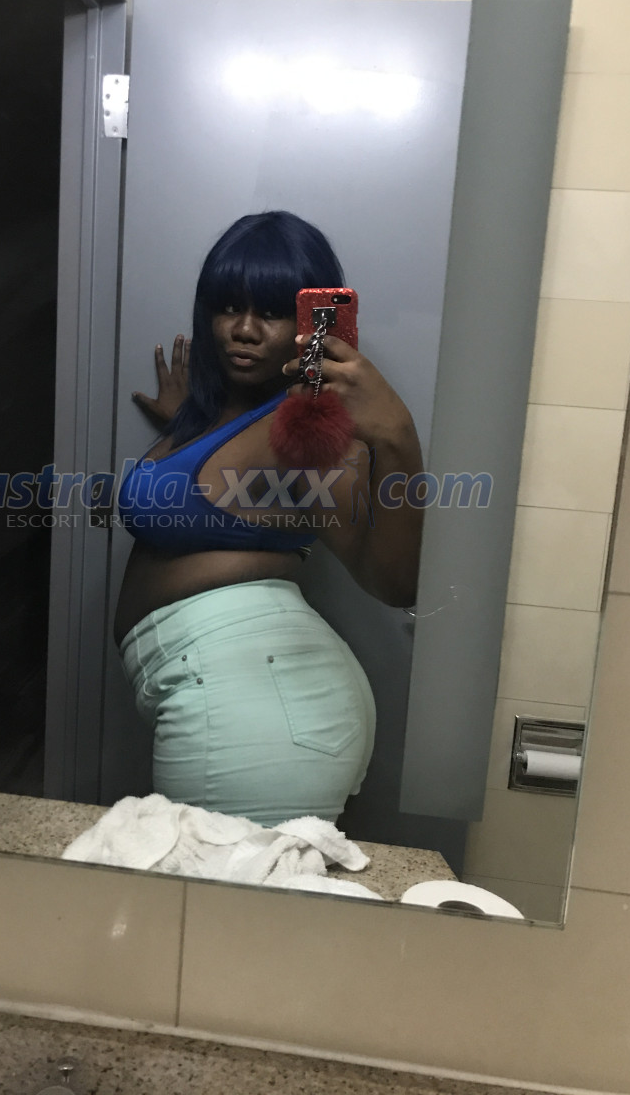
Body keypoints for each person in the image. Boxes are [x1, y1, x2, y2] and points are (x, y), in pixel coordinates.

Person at [114, 211, 423, 828]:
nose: (245, 330)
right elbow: (224, 493)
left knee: (210, 889)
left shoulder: (306, 430)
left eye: (274, 313)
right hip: (241, 701)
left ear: (310, 324)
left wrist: (397, 436)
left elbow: (394, 582)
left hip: (260, 714)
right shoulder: (220, 417)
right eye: (229, 306)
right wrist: (186, 428)